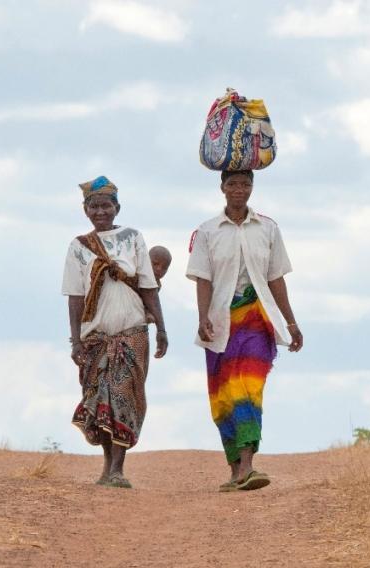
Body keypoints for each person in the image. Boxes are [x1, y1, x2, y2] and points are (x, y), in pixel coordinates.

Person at [186, 170, 303, 492]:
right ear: (222, 187)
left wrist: (291, 323)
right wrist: (202, 318)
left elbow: (276, 278)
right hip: (221, 324)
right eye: (233, 184)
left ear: (252, 187)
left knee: (246, 387)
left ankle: (249, 466)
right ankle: (236, 469)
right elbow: (203, 279)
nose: (239, 190)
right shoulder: (208, 232)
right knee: (222, 397)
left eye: (245, 184)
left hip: (256, 319)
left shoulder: (267, 228)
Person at [62, 176, 168, 489]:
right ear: (85, 210)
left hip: (132, 333)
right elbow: (75, 296)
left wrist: (161, 327)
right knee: (99, 400)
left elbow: (148, 286)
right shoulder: (79, 248)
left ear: (116, 207)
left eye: (106, 205)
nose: (100, 211)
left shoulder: (133, 238)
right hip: (95, 337)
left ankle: (118, 469)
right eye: (93, 206)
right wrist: (75, 339)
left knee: (124, 397)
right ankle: (108, 465)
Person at [146, 246, 172, 324]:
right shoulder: (136, 275)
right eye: (155, 264)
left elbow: (151, 303)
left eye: (164, 268)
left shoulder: (157, 285)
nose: (159, 269)